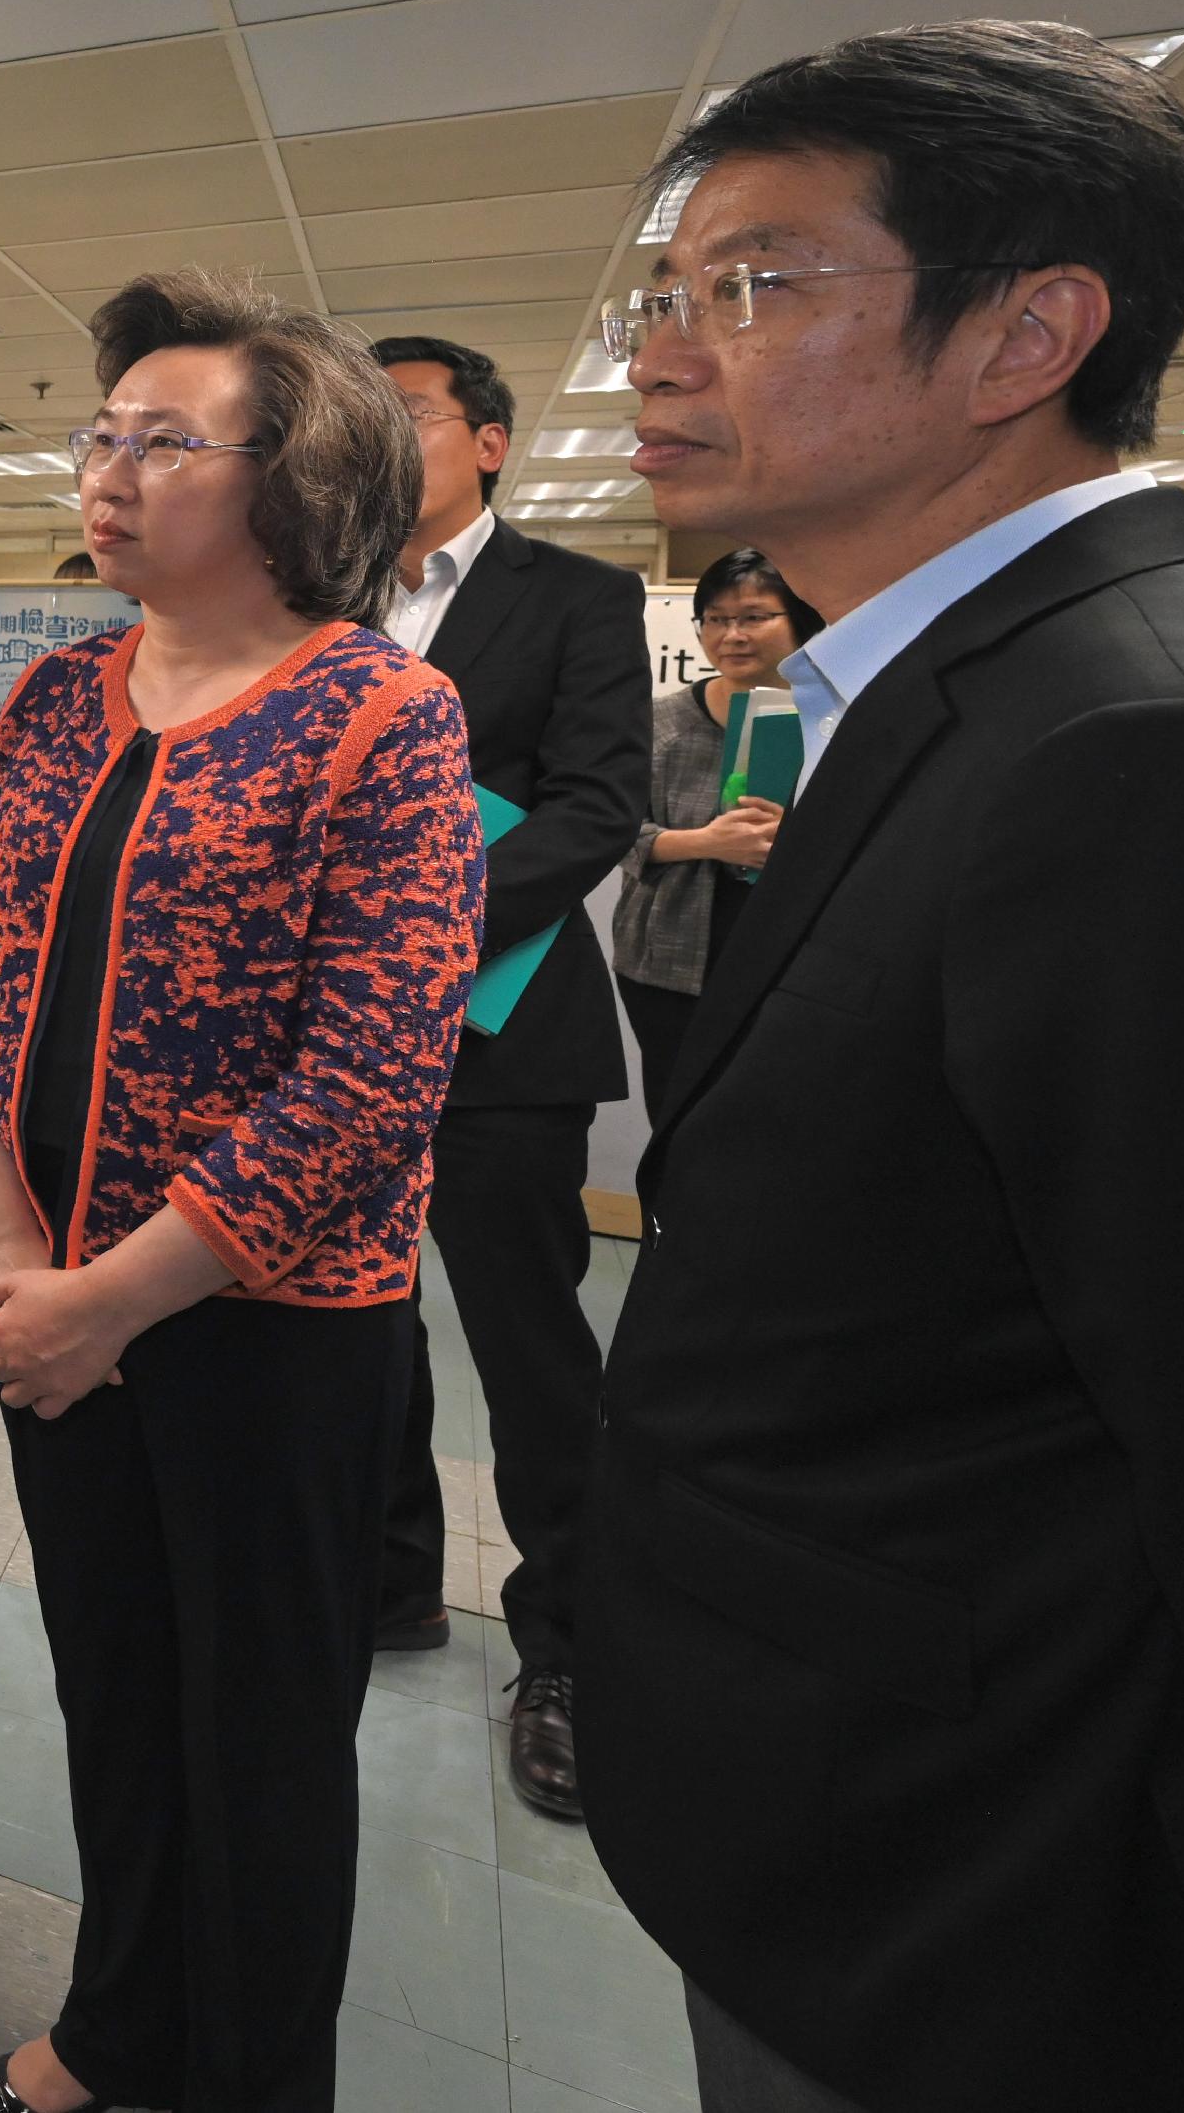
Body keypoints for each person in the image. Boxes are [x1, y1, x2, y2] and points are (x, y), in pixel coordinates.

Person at [586, 20, 1184, 2111]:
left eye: (754, 285)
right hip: (850, 1821)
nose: (661, 357)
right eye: (659, 298)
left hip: (983, 1921)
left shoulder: (1163, 745)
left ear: (1023, 330)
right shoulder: (963, 684)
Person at [0, 276, 481, 2113]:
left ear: (294, 474)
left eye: (166, 439)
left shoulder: (381, 714)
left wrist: (115, 1294)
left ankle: (250, 2072)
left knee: (262, 1744)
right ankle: (115, 2023)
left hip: (266, 1336)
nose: (110, 469)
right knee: (120, 1697)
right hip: (54, 1314)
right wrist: (12, 1246)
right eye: (101, 432)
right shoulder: (65, 696)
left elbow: (375, 1075)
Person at [359, 332, 649, 1824]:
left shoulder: (579, 599)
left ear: (489, 440)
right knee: (361, 1323)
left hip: (502, 1029)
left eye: (404, 417)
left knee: (533, 1353)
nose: (377, 441)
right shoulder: (319, 598)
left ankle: (570, 1650)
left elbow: (602, 800)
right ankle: (396, 1579)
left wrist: (418, 927)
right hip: (337, 1044)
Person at [608, 548, 823, 1111]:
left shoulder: (836, 718)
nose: (733, 635)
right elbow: (612, 826)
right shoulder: (661, 720)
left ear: (799, 617)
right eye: (716, 619)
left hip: (793, 954)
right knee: (674, 1111)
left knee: (767, 1115)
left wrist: (799, 838)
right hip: (668, 953)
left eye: (754, 617)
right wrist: (708, 842)